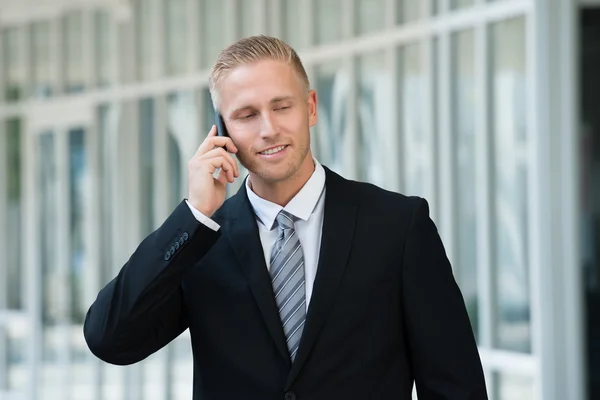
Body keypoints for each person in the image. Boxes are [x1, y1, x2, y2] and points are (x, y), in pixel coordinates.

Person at [84, 35, 488, 400]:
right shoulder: (202, 240)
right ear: (222, 129)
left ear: (310, 108)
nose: (269, 129)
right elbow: (109, 339)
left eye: (282, 106)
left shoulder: (399, 226)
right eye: (246, 115)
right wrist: (193, 215)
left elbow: (455, 386)